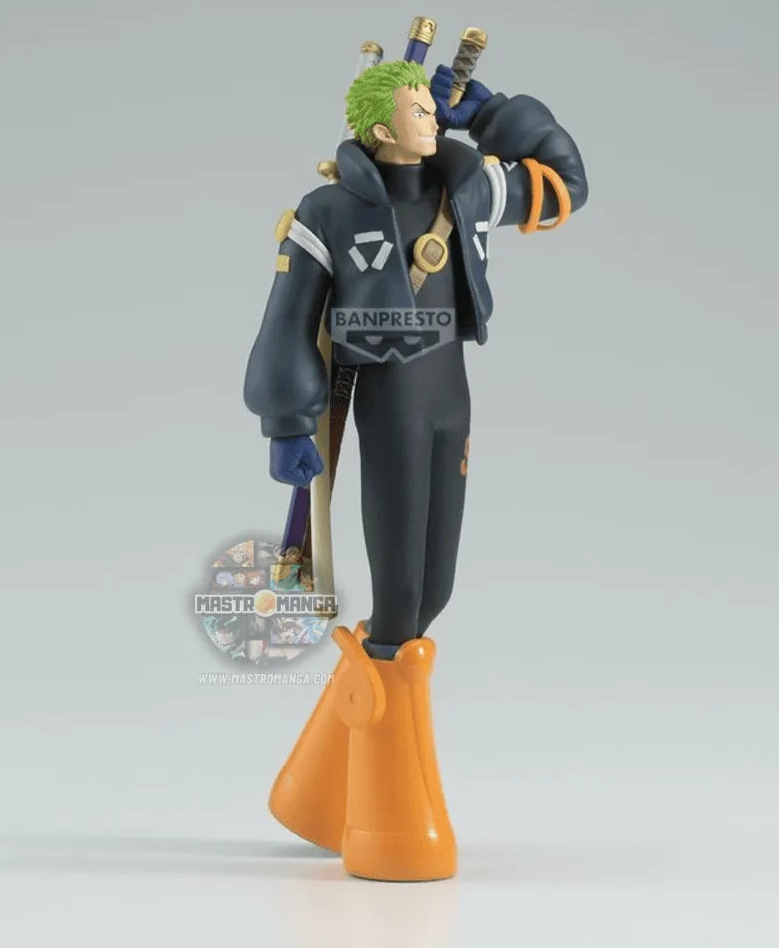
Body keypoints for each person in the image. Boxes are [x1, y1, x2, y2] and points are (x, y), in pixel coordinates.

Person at [244, 59, 587, 880]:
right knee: (400, 601)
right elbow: (286, 322)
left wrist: (498, 116)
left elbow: (566, 186)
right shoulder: (329, 212)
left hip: (450, 398)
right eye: (416, 109)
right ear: (377, 128)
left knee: (434, 592)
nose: (432, 118)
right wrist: (287, 421)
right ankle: (387, 823)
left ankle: (316, 793)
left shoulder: (467, 187)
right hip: (389, 401)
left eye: (434, 109)